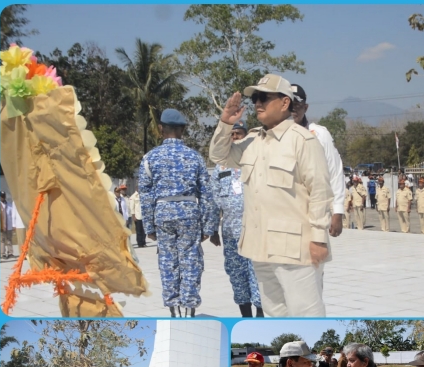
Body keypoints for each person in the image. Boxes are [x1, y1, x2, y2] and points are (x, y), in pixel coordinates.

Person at [209, 76, 333, 317]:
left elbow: (320, 192)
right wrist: (225, 122)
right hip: (260, 246)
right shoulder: (252, 140)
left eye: (264, 97)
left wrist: (319, 238)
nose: (257, 103)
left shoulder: (303, 141)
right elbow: (219, 156)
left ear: (285, 102)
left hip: (295, 248)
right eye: (255, 98)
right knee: (274, 313)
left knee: (306, 313)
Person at [139, 108, 214, 318]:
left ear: (161, 128)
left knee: (167, 260)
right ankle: (189, 308)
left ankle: (173, 308)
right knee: (190, 259)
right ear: (182, 130)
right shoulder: (195, 157)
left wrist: (149, 226)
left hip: (163, 213)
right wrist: (208, 226)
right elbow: (206, 193)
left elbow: (144, 194)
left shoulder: (149, 158)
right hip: (189, 213)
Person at [208, 121, 263, 318]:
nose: (235, 138)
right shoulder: (219, 167)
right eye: (231, 135)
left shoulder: (255, 161)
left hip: (255, 231)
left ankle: (260, 316)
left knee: (257, 275)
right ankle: (245, 316)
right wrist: (212, 228)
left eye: (238, 134)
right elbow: (212, 198)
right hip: (231, 231)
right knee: (236, 275)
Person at [290, 84, 346, 237]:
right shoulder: (272, 135)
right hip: (285, 212)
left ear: (305, 107)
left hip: (314, 213)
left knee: (314, 257)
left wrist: (338, 211)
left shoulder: (319, 134)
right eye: (289, 104)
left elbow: (335, 171)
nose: (293, 109)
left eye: (297, 105)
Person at [0, 192, 14, 259]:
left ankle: (10, 253)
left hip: (9, 225)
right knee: (2, 240)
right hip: (1, 226)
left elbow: (12, 215)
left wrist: (13, 224)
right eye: (1, 196)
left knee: (9, 239)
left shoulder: (10, 205)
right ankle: (2, 254)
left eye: (3, 196)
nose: (3, 197)